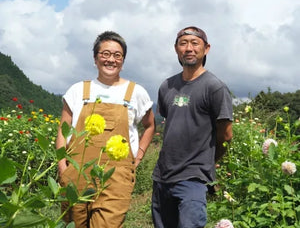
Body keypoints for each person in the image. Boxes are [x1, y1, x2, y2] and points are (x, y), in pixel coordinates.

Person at [56, 31, 155, 228]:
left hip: (117, 177)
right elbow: (63, 130)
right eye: (105, 54)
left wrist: (138, 157)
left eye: (117, 55)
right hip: (77, 172)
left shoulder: (136, 92)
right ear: (95, 58)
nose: (111, 60)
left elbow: (150, 125)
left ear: (123, 61)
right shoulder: (78, 91)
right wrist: (62, 167)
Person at [151, 26, 233, 228]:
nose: (189, 48)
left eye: (195, 43)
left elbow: (226, 135)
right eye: (183, 43)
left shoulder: (215, 87)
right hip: (162, 176)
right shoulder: (166, 86)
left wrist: (207, 160)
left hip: (193, 178)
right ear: (176, 49)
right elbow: (171, 122)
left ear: (206, 48)